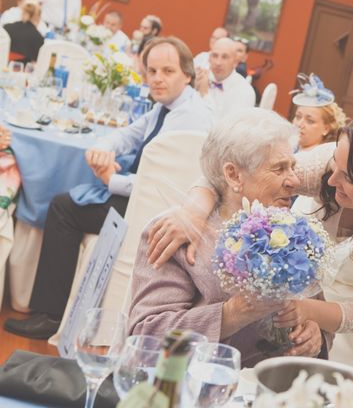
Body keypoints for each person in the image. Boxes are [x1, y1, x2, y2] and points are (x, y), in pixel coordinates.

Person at [146, 106, 353, 375]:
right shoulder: (334, 163)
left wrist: (308, 313)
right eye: (333, 167)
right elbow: (236, 168)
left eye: (347, 179)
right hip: (304, 289)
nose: (329, 180)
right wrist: (193, 211)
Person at [3, 36, 214, 340]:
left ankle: (49, 316)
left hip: (154, 212)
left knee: (63, 208)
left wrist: (111, 181)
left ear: (188, 75)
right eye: (151, 71)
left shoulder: (191, 117)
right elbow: (127, 135)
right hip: (142, 195)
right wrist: (102, 148)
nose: (157, 78)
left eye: (167, 71)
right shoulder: (168, 106)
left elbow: (162, 185)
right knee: (70, 199)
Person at [129, 108, 326, 367]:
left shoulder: (295, 232)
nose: (293, 180)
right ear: (233, 175)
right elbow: (147, 336)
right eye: (279, 169)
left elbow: (316, 312)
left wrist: (315, 334)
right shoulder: (180, 233)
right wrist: (232, 314)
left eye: (292, 166)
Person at [194, 37, 255, 115]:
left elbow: (226, 126)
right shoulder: (199, 78)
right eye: (215, 56)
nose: (218, 63)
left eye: (225, 57)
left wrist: (205, 95)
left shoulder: (245, 91)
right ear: (209, 59)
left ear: (235, 62)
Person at [290, 74, 347, 152]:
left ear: (326, 129)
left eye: (310, 121)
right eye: (298, 117)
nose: (300, 124)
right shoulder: (288, 147)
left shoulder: (323, 157)